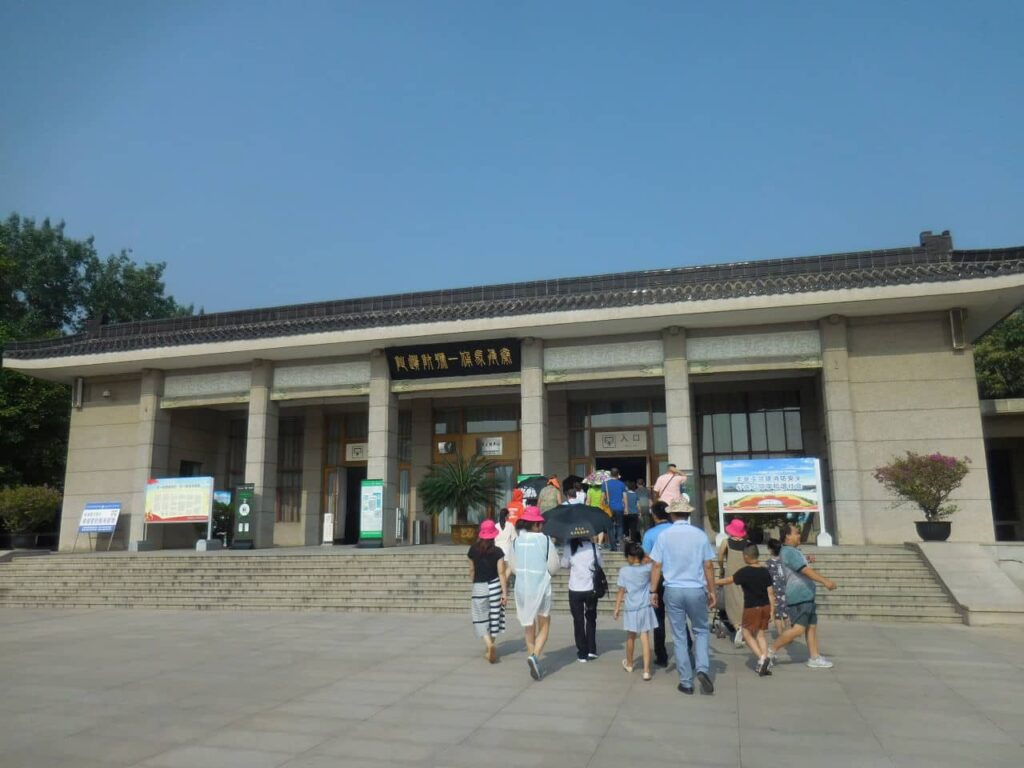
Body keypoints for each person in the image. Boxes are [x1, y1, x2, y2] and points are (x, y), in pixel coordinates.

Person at [650, 499, 717, 696]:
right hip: (696, 588)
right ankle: (703, 669)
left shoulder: (664, 536)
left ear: (671, 515)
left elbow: (656, 566)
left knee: (679, 635)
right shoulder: (700, 535)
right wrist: (712, 590)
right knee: (701, 631)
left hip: (672, 589)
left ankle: (686, 682)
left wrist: (653, 591)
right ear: (688, 514)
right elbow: (708, 566)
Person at [770, 522, 838, 670]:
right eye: (796, 533)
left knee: (811, 627)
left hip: (806, 595)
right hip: (799, 596)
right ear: (787, 536)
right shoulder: (789, 551)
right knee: (799, 629)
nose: (799, 535)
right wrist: (825, 581)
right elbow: (804, 570)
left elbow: (799, 565)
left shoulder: (793, 551)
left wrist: (807, 559)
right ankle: (770, 651)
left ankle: (814, 657)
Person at [509, 506, 560, 680]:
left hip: (522, 587)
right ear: (537, 524)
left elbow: (513, 567)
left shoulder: (516, 541)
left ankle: (532, 657)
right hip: (541, 586)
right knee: (544, 624)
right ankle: (535, 656)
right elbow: (553, 565)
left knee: (528, 625)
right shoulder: (545, 541)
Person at [715, 543, 774, 676]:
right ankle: (765, 662)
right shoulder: (765, 571)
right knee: (760, 634)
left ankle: (762, 658)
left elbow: (728, 580)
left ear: (746, 556)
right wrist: (772, 610)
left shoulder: (745, 571)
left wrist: (711, 582)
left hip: (752, 607)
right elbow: (770, 592)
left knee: (746, 634)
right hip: (765, 606)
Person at [614, 542, 658, 681]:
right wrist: (644, 556)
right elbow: (655, 561)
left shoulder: (624, 571)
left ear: (629, 557)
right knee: (645, 637)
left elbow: (621, 591)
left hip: (631, 608)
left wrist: (616, 609)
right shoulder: (647, 569)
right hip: (645, 606)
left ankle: (630, 663)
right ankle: (646, 671)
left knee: (630, 637)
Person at [467, 519, 508, 663]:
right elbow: (502, 572)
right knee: (495, 617)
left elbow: (471, 570)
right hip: (495, 586)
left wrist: (474, 580)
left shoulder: (472, 550)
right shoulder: (498, 551)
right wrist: (504, 593)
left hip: (479, 587)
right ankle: (491, 645)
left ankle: (489, 645)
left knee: (480, 617)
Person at [641, 501, 677, 667]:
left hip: (658, 577)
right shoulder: (677, 530)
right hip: (677, 577)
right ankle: (688, 649)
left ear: (654, 515)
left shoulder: (650, 534)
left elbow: (647, 559)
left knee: (658, 618)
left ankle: (661, 656)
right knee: (680, 617)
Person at [560, 536, 602, 662]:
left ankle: (582, 652)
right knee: (591, 618)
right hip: (591, 589)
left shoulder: (570, 547)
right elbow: (600, 564)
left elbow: (564, 564)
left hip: (575, 589)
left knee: (578, 621)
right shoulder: (594, 547)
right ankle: (591, 649)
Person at [718, 518, 752, 648]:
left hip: (731, 574)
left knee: (732, 601)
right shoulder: (748, 543)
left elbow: (720, 557)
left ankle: (738, 627)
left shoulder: (726, 542)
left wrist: (721, 568)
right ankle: (745, 626)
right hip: (746, 573)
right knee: (744, 599)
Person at [765, 538, 790, 637]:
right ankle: (788, 634)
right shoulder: (785, 561)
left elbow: (767, 579)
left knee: (777, 615)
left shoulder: (768, 563)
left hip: (774, 592)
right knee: (786, 614)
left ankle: (781, 635)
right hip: (786, 590)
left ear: (770, 549)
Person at [603, 468, 627, 551]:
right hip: (619, 507)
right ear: (618, 475)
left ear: (610, 475)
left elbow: (603, 497)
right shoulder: (622, 484)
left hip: (609, 508)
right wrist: (626, 508)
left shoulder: (605, 484)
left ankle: (613, 546)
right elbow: (624, 496)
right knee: (620, 526)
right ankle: (620, 544)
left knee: (610, 527)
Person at [624, 481, 640, 545]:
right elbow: (638, 505)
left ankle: (627, 538)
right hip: (634, 513)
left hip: (626, 513)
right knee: (633, 528)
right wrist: (639, 512)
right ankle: (633, 540)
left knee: (626, 527)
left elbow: (623, 503)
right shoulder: (636, 494)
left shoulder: (625, 494)